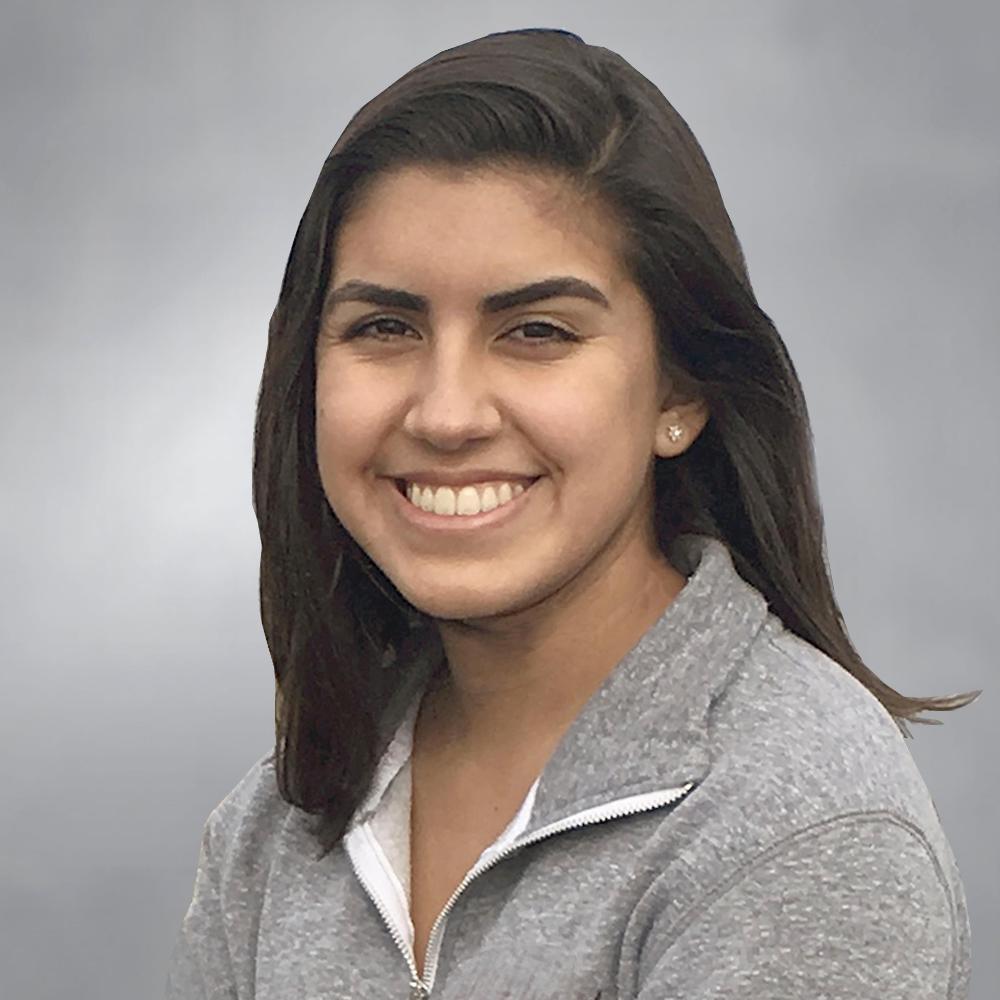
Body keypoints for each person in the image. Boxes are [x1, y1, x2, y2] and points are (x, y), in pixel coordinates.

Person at [165, 27, 981, 999]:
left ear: (678, 391)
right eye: (384, 326)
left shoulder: (797, 827)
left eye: (537, 331)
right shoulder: (273, 831)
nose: (446, 415)